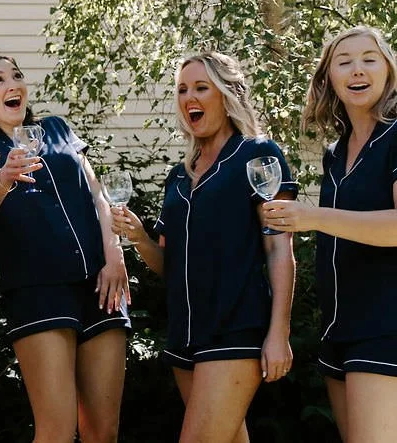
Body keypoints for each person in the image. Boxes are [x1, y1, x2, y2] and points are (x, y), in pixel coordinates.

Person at [113, 52, 296, 443]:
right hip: (184, 337)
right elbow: (169, 265)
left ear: (227, 94)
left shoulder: (257, 155)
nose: (188, 97)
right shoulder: (177, 177)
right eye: (182, 89)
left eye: (200, 87)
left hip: (236, 329)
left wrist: (279, 331)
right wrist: (140, 238)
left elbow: (280, 248)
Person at [0, 53, 130, 443]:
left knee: (103, 432)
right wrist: (2, 177)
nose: (12, 85)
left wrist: (114, 254)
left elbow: (96, 193)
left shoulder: (56, 129)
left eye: (16, 76)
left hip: (100, 283)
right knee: (55, 432)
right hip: (37, 290)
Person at [261, 26, 397, 441]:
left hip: (386, 326)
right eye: (344, 62)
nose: (357, 70)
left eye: (369, 59)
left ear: (389, 71)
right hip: (339, 328)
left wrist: (314, 216)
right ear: (329, 78)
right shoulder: (336, 153)